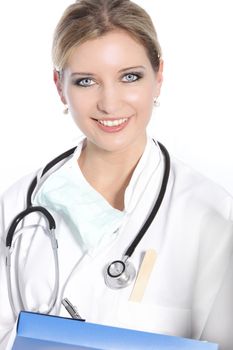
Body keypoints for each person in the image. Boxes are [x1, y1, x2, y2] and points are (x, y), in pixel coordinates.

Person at [0, 0, 232, 349]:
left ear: (159, 78)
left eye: (130, 77)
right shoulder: (19, 204)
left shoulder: (213, 214)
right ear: (60, 86)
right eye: (86, 81)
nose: (109, 103)